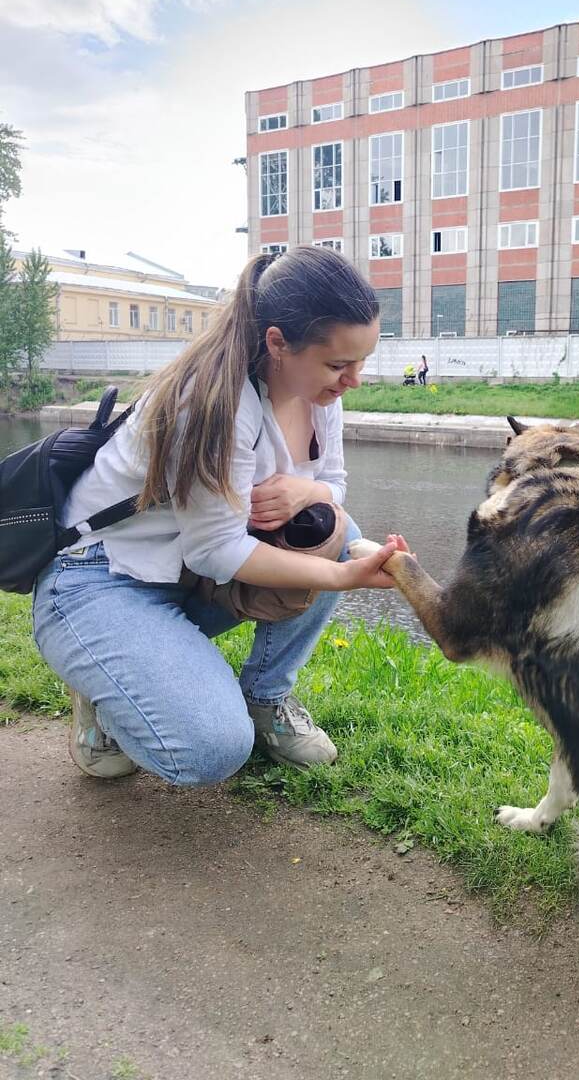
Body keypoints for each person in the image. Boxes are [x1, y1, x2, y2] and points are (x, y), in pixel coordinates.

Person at [32, 247, 402, 788]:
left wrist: (309, 489)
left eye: (361, 361)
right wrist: (342, 578)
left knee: (340, 532)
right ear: (278, 343)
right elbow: (217, 550)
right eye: (340, 364)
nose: (354, 380)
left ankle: (265, 697)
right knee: (210, 750)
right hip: (99, 581)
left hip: (184, 572)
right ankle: (106, 686)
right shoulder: (213, 402)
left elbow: (335, 489)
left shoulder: (320, 392)